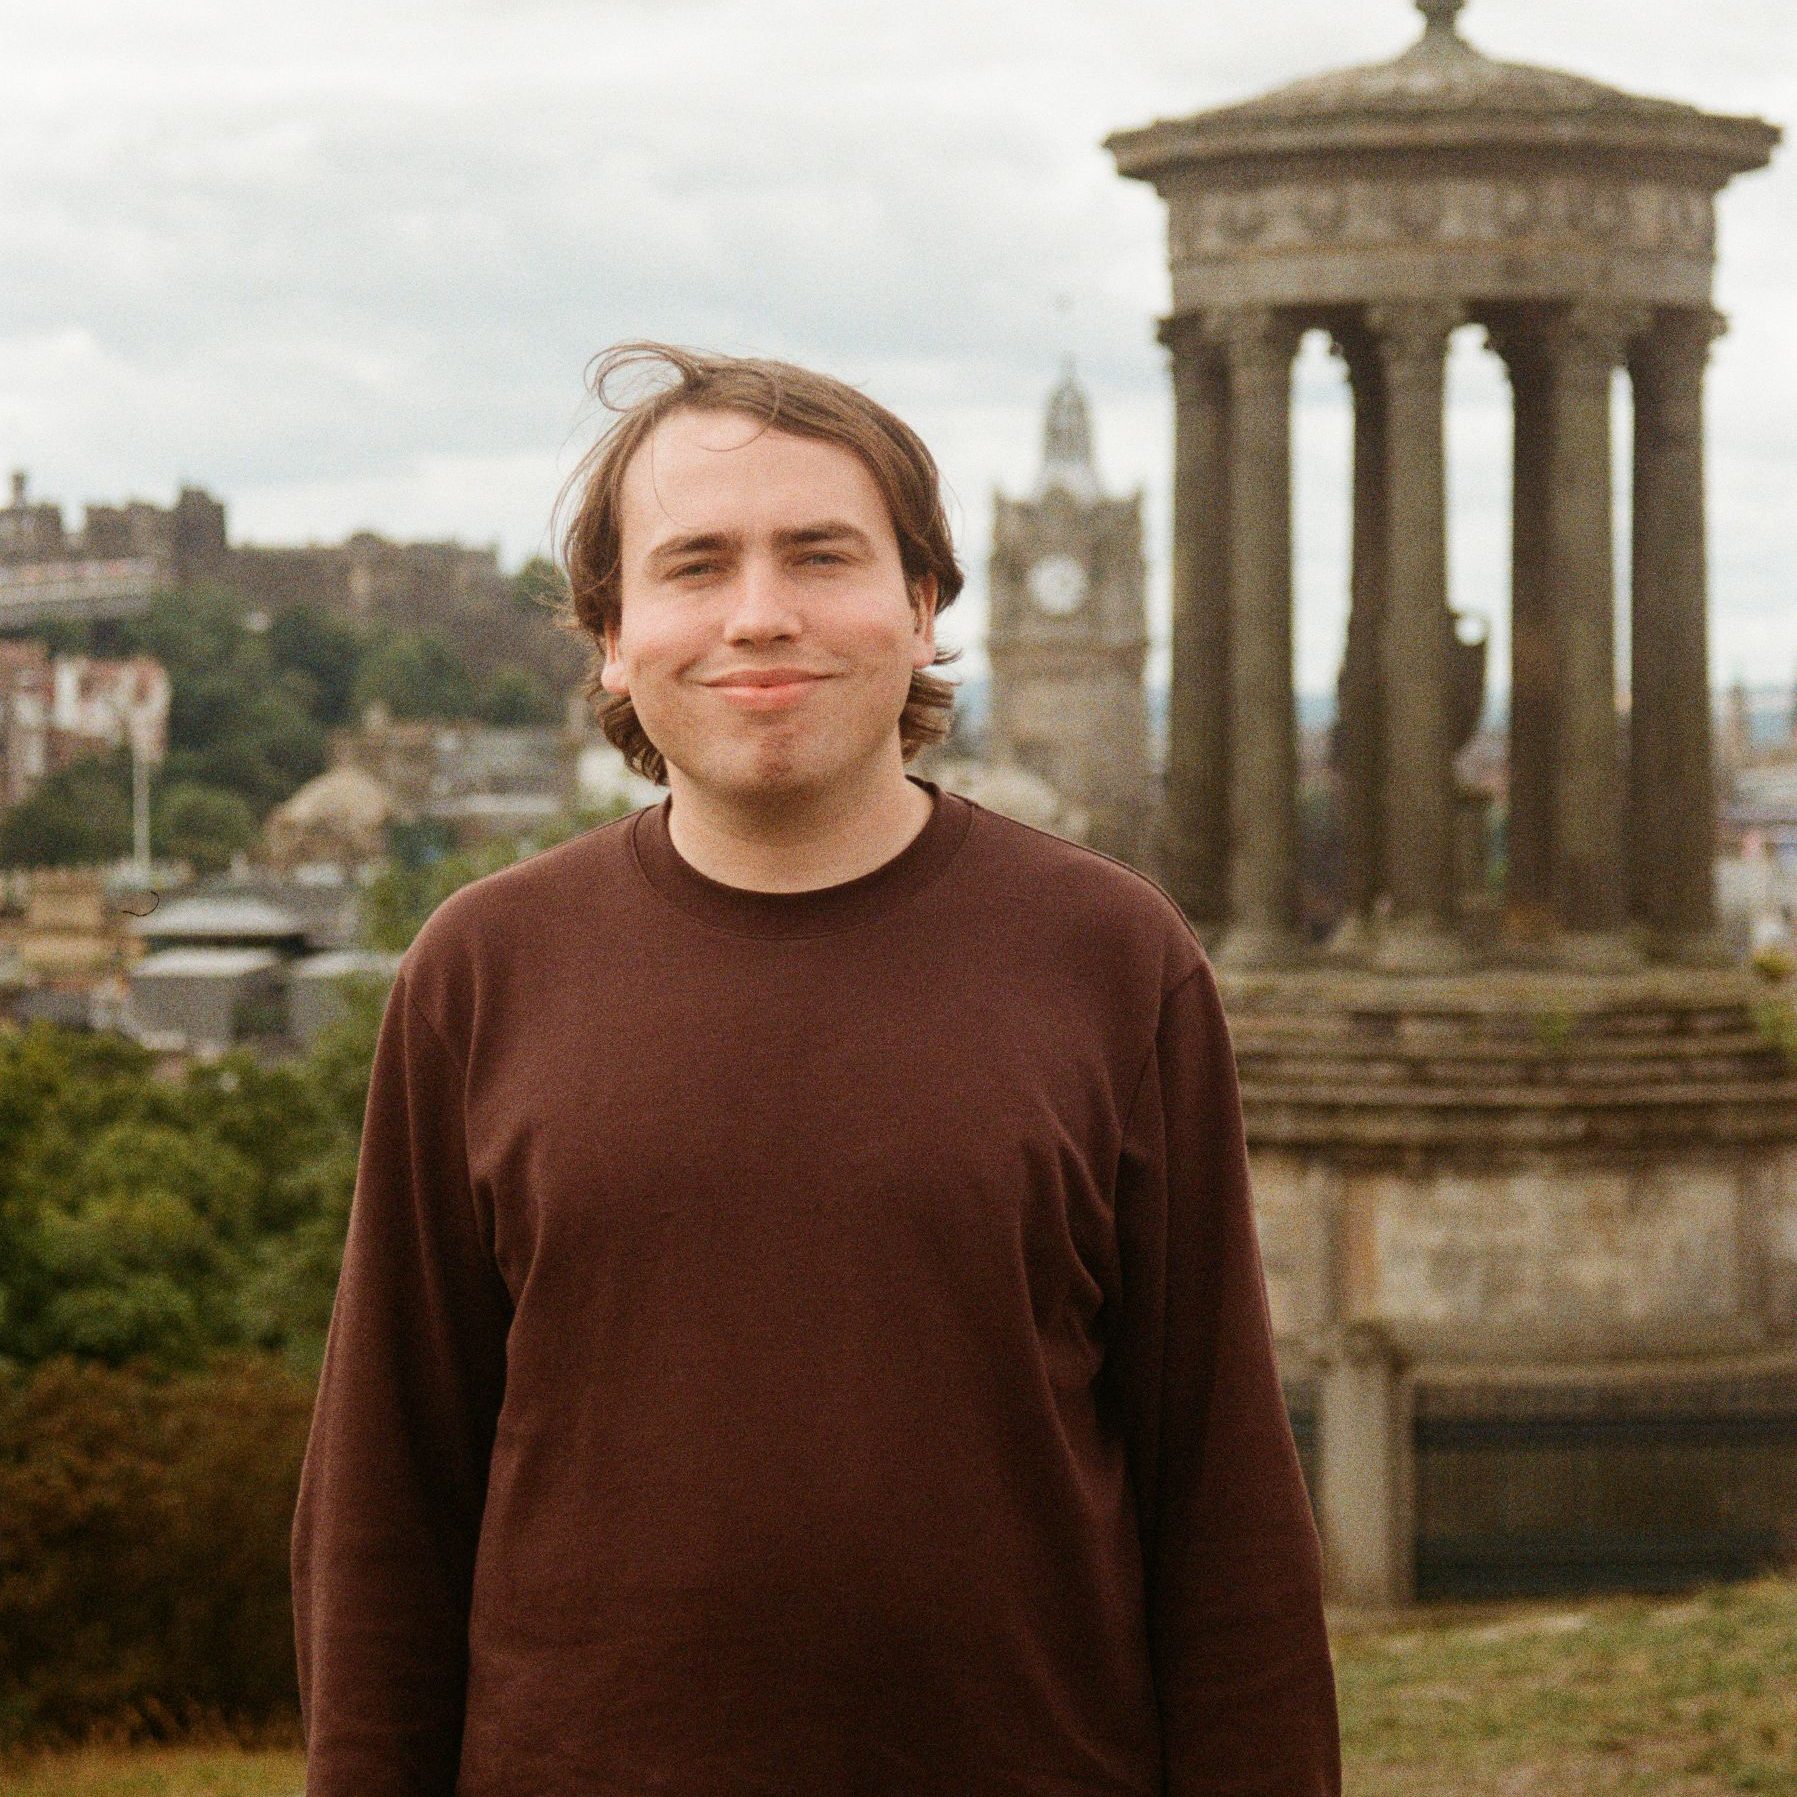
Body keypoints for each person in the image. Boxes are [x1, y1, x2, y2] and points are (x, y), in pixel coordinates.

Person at [290, 341, 1342, 1795]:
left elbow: (1220, 1498)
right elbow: (383, 1505)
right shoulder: (478, 972)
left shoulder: (1112, 956)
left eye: (820, 555)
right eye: (696, 564)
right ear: (610, 631)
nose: (760, 614)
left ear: (920, 607)